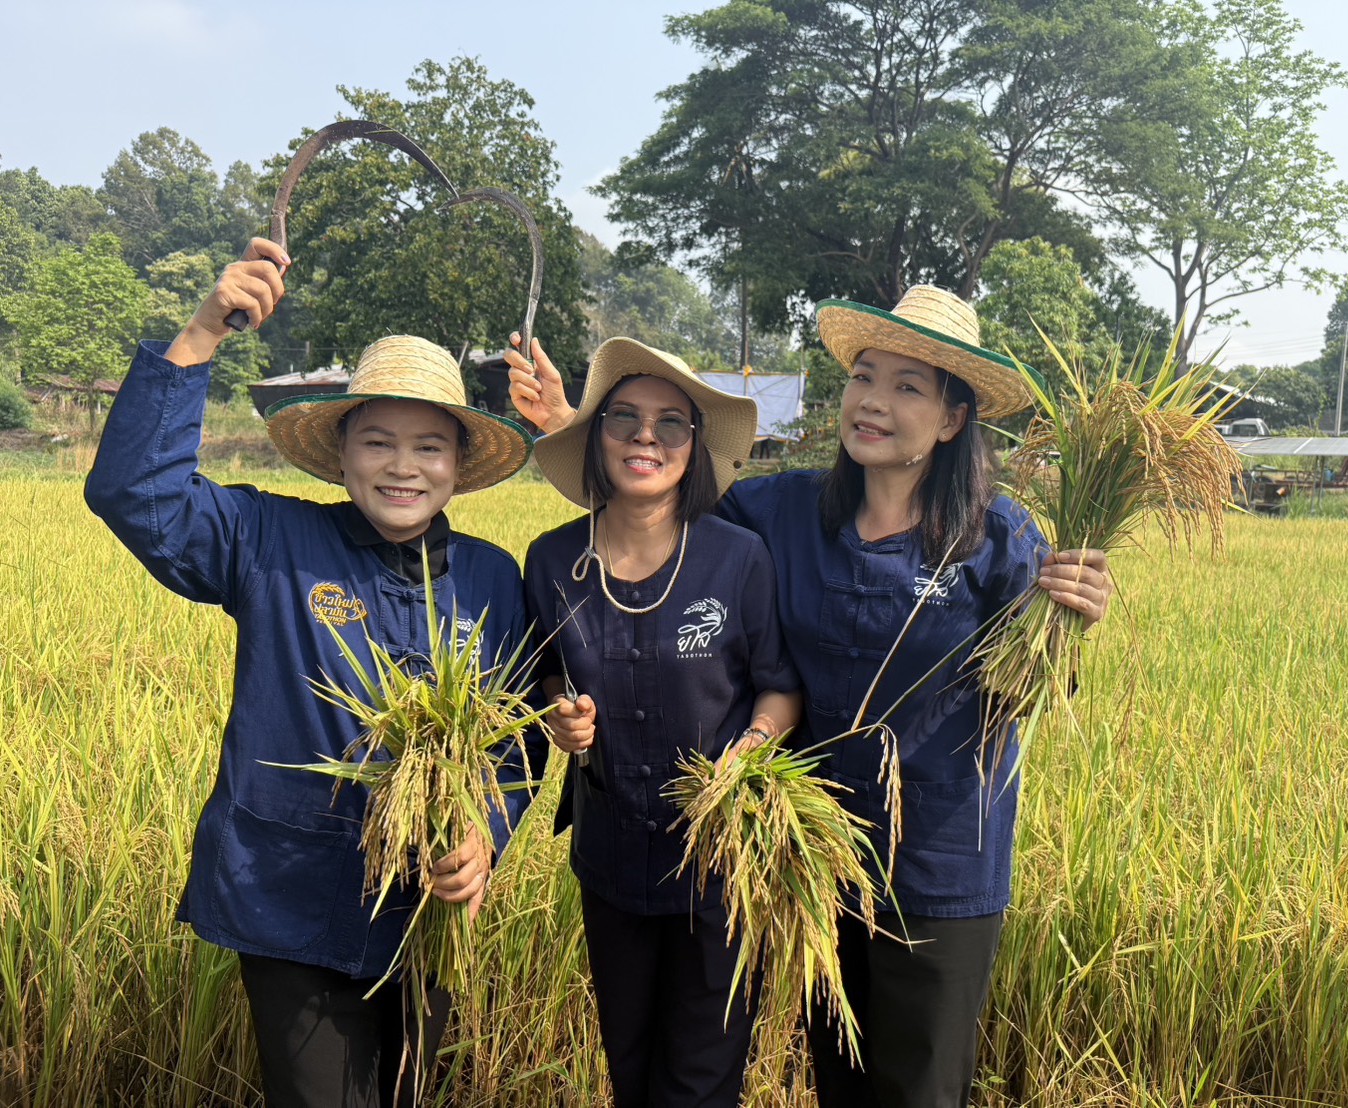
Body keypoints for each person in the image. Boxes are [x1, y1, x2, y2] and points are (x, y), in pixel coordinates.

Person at [506, 286, 1112, 1108]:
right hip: (806, 854)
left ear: (951, 420)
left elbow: (1031, 687)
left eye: (908, 387)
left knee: (921, 1090)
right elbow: (649, 493)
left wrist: (1071, 615)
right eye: (865, 375)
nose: (872, 400)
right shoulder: (777, 508)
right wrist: (569, 425)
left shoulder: (1000, 540)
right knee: (839, 1079)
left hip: (937, 863)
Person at [85, 238, 541, 1108]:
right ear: (341, 455)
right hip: (288, 896)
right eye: (378, 442)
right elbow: (135, 495)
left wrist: (484, 834)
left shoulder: (492, 578)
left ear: (457, 465)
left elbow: (514, 738)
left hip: (427, 913)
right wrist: (204, 327)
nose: (403, 467)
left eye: (428, 448)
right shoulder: (271, 541)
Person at [522, 336, 802, 1108]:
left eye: (670, 423)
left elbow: (778, 688)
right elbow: (548, 673)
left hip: (717, 862)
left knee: (701, 1076)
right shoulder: (550, 561)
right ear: (596, 436)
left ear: (694, 447)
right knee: (630, 1064)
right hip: (609, 857)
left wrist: (746, 752)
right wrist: (560, 712)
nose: (646, 436)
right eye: (625, 418)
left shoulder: (739, 558)